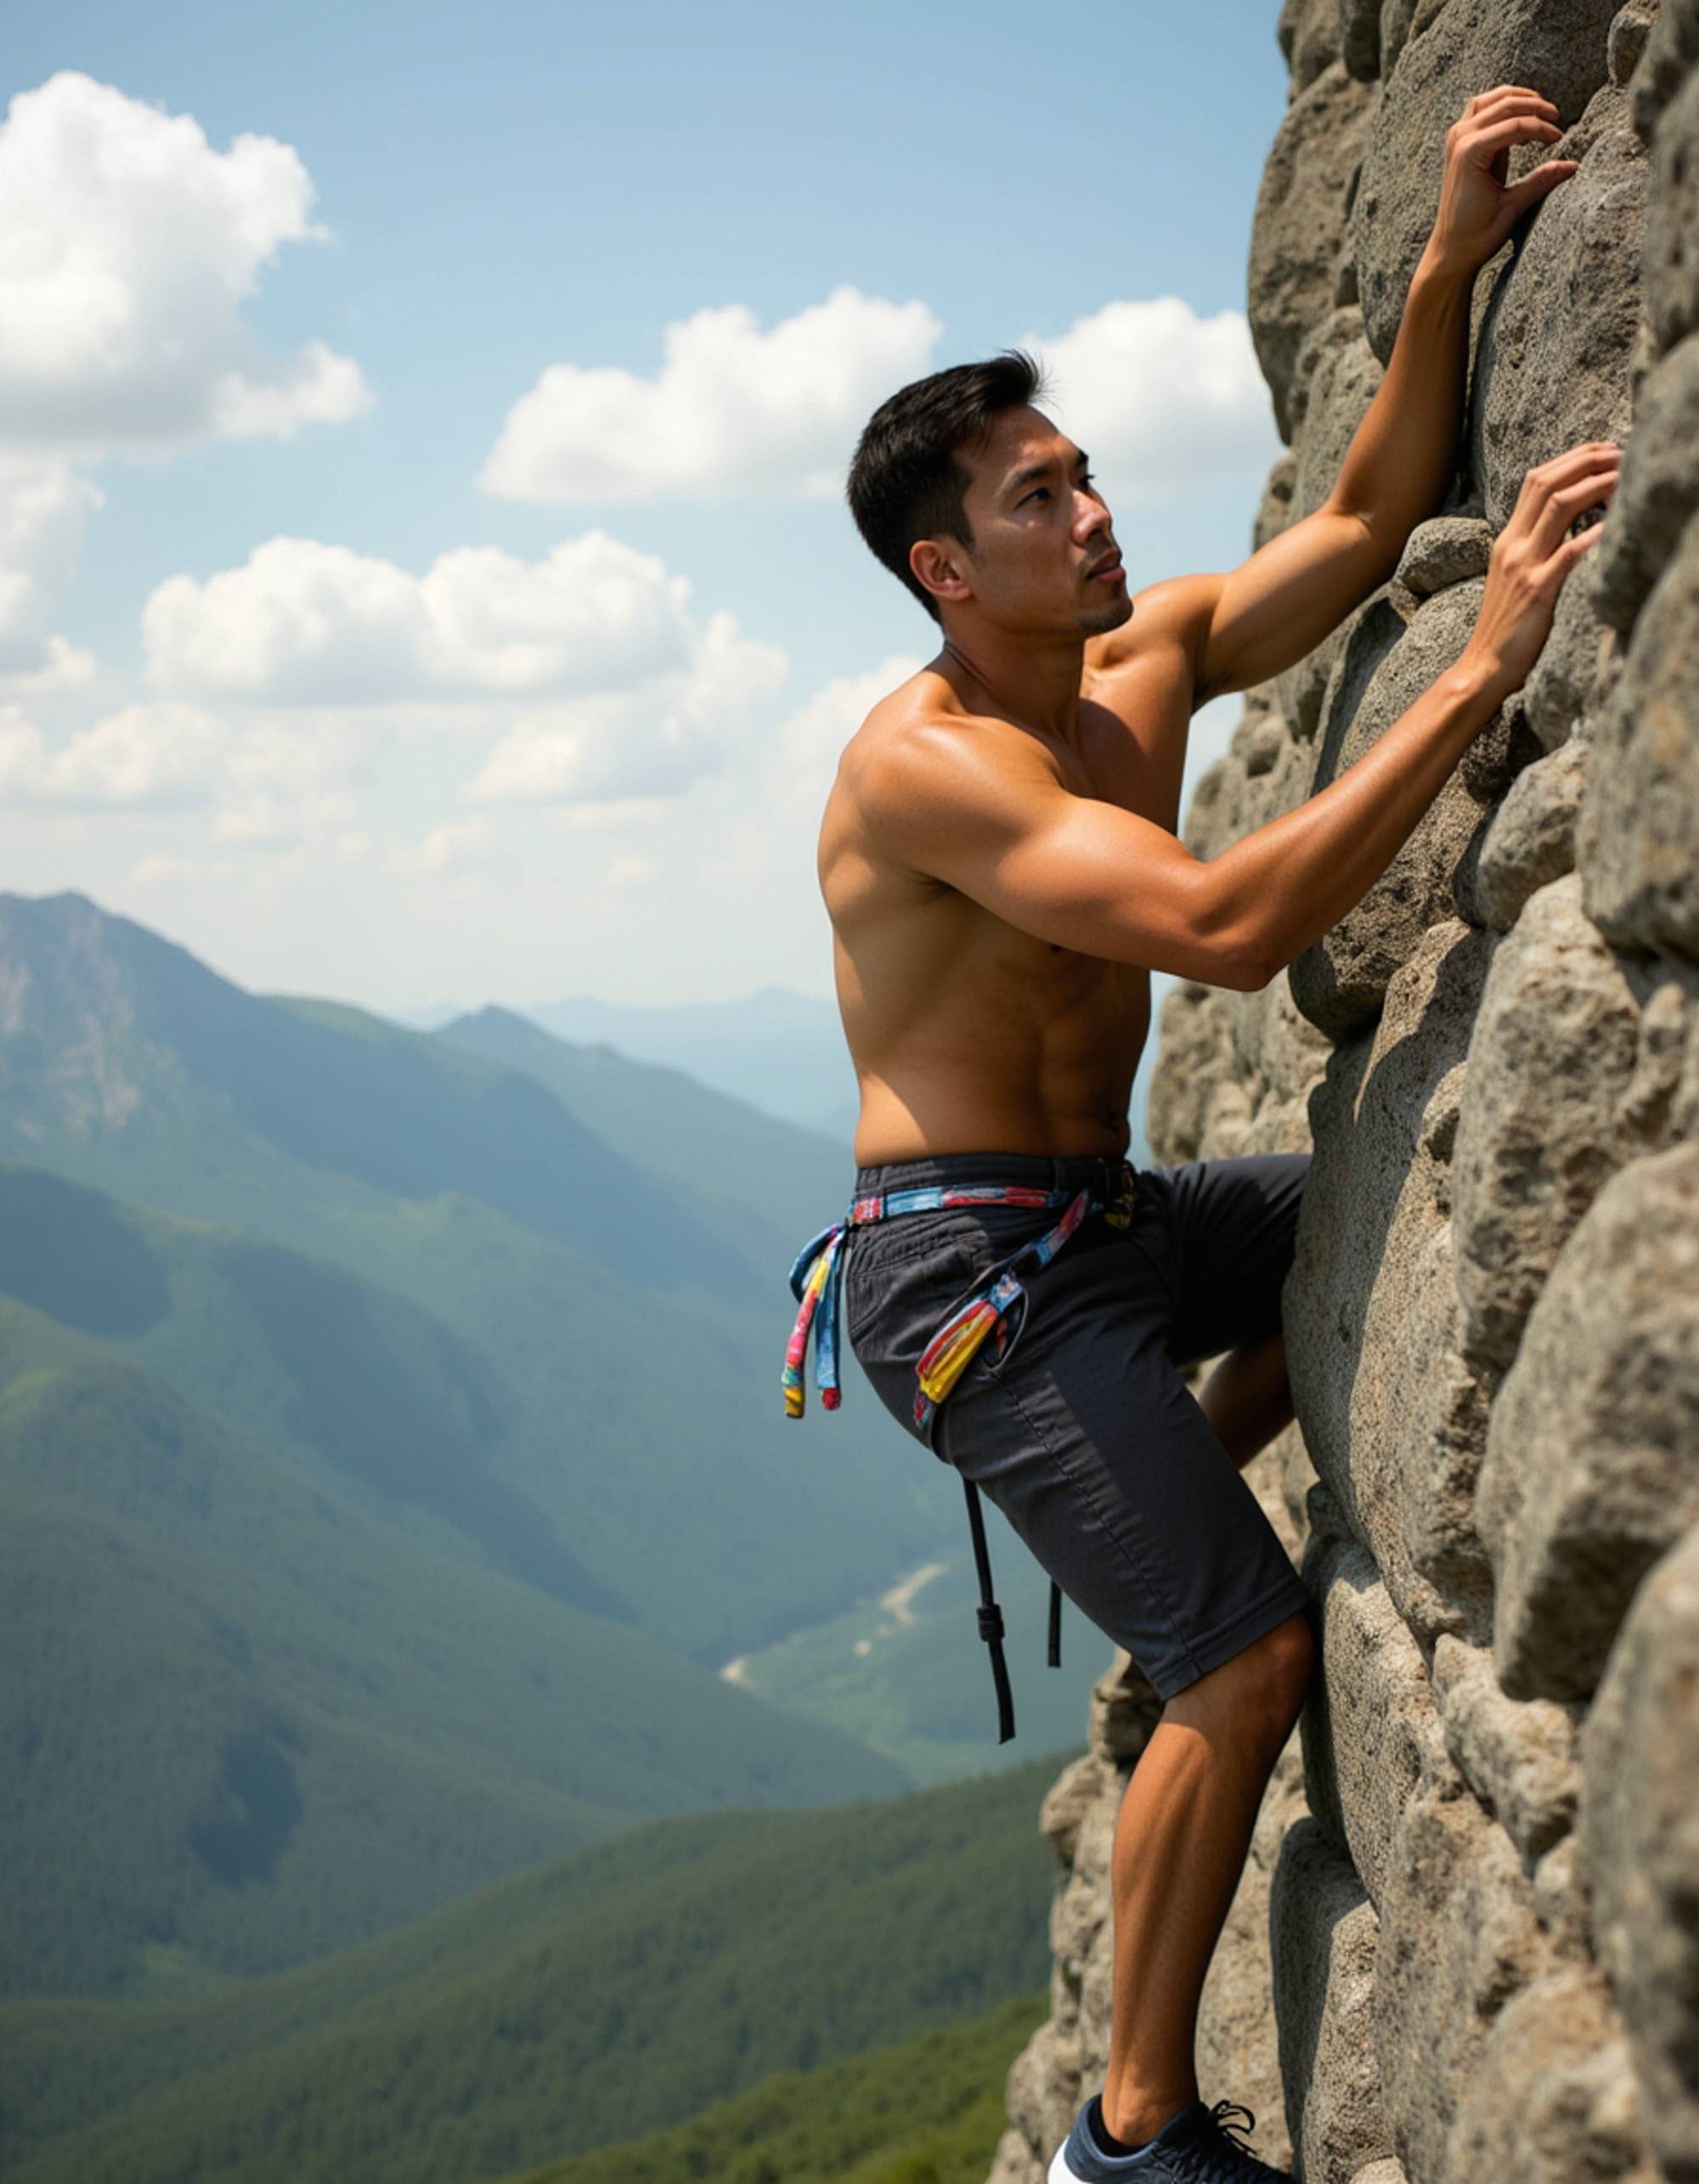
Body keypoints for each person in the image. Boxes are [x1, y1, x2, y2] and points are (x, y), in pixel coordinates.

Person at [782, 84, 1618, 2184]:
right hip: (966, 1275)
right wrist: (1484, 666)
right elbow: (1235, 928)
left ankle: (1153, 1507)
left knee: (1374, 1195)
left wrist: (1444, 262)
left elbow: (1357, 520)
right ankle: (1126, 2134)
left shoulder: (1130, 660)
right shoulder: (929, 772)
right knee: (1234, 1656)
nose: (1090, 515)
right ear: (940, 568)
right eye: (1035, 499)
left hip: (1101, 1221)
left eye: (1078, 476)